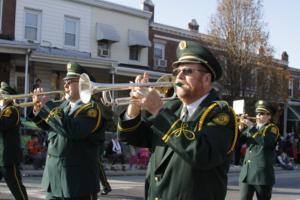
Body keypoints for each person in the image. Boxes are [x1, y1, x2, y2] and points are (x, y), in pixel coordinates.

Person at [118, 40, 238, 200]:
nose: (179, 76)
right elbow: (130, 137)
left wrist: (159, 111)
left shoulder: (220, 113)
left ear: (206, 79)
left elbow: (203, 155)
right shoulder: (173, 108)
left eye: (187, 71)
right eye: (177, 71)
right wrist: (134, 104)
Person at [29, 62, 106, 200]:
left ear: (84, 84)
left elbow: (73, 130)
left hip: (77, 182)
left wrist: (50, 108)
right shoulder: (63, 106)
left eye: (70, 81)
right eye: (65, 81)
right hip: (54, 179)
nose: (65, 85)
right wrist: (38, 109)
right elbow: (49, 126)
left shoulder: (91, 109)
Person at [239, 100, 279, 200]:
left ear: (269, 116)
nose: (258, 115)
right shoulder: (251, 128)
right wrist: (240, 127)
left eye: (261, 113)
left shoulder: (272, 128)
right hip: (247, 173)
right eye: (257, 113)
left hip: (262, 175)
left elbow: (265, 143)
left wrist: (251, 127)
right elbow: (237, 143)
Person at [0, 82, 28, 200]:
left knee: (16, 188)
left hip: (8, 157)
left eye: (2, 95)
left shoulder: (12, 110)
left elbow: (2, 125)